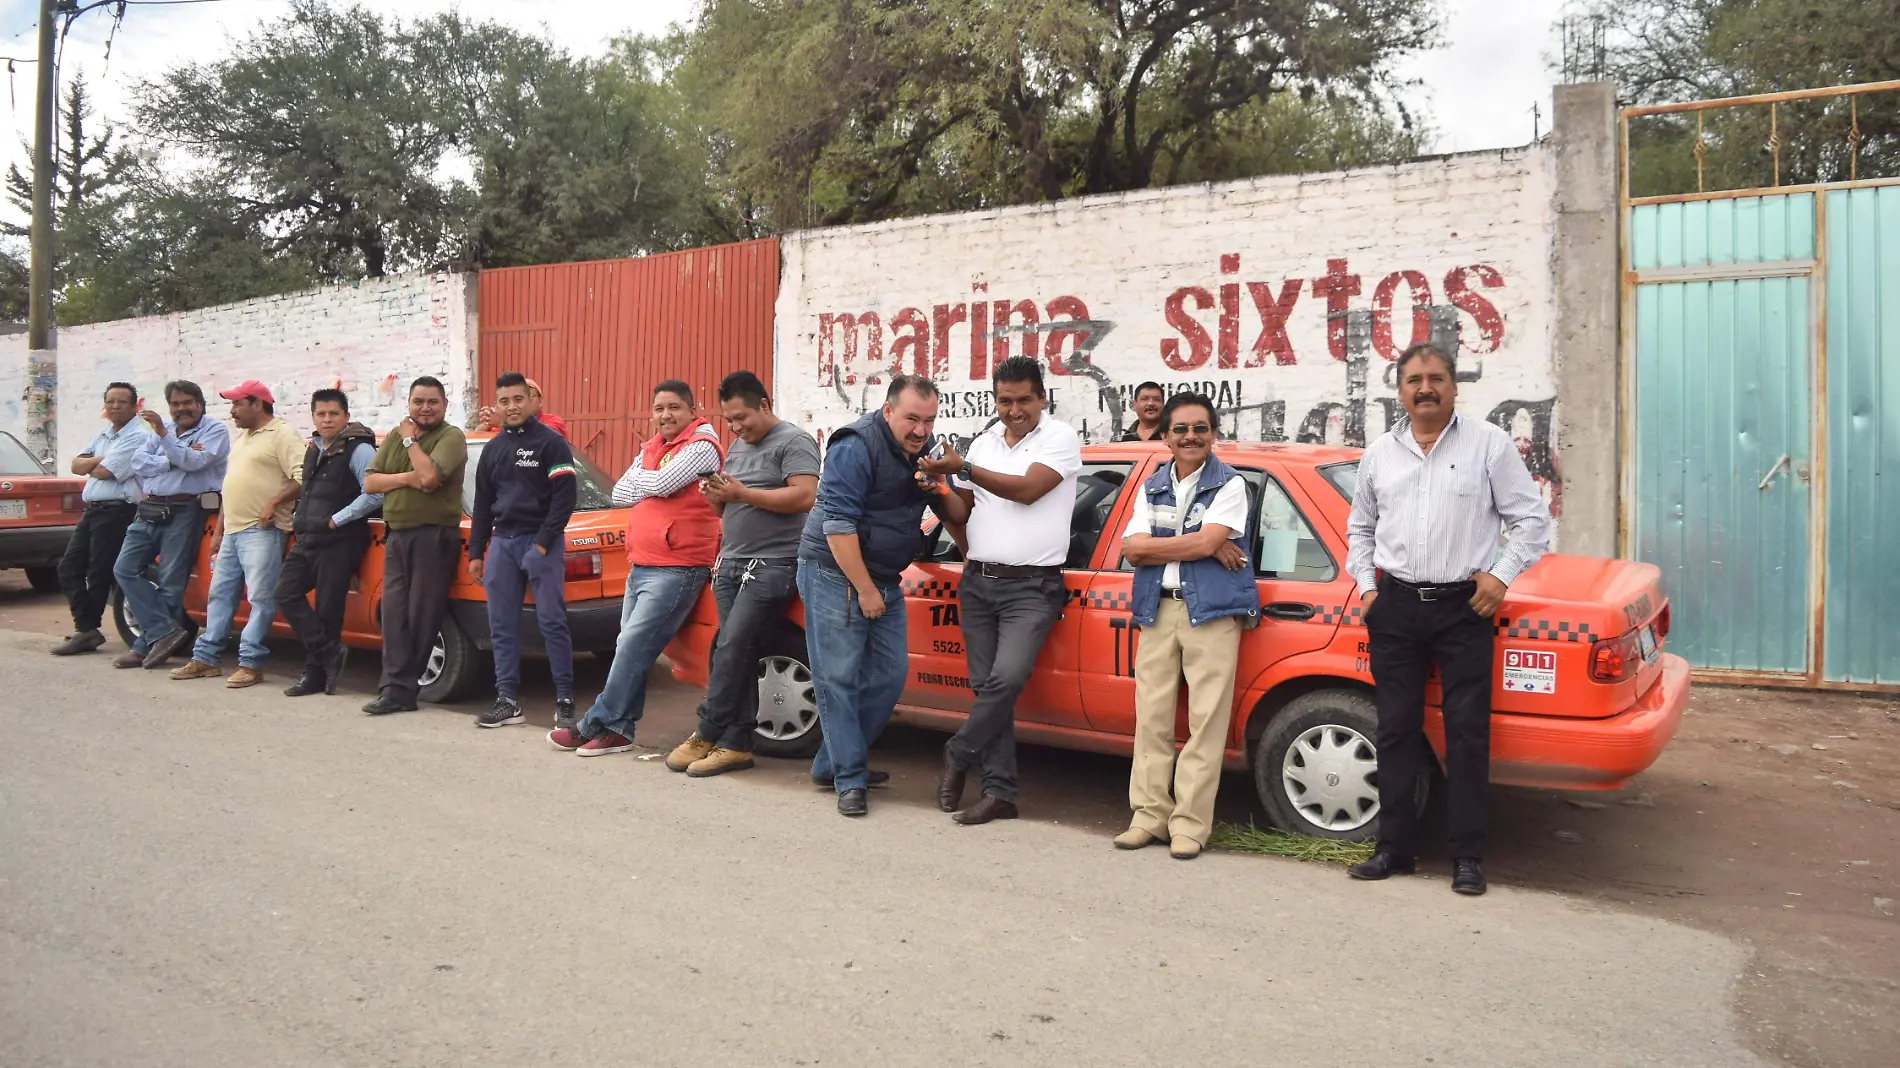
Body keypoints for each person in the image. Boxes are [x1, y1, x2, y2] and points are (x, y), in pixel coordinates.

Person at [1344, 343, 1550, 896]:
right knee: (1395, 731)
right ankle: (1394, 849)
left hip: (1465, 607)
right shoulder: (1380, 453)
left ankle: (1467, 856)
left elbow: (1531, 520)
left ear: (1454, 387)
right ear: (1400, 390)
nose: (1425, 388)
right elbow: (1360, 529)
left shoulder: (1489, 443)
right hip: (1397, 606)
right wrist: (1367, 589)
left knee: (1465, 734)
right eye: (1413, 379)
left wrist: (1501, 575)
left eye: (1435, 378)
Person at [919, 356, 1081, 826]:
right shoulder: (985, 442)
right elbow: (962, 511)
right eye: (1004, 400)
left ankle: (958, 750)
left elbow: (1029, 490)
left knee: (1004, 682)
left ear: (1042, 398)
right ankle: (999, 792)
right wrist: (937, 487)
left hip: (1032, 586)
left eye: (1023, 400)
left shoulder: (1059, 437)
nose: (1013, 410)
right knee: (988, 690)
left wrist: (964, 467)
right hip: (978, 583)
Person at [798, 375, 968, 817]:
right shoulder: (854, 447)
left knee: (890, 677)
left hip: (883, 576)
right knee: (838, 679)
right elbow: (837, 526)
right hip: (836, 572)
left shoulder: (924, 453)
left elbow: (958, 515)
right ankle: (850, 779)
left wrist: (941, 484)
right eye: (912, 418)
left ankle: (830, 763)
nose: (921, 430)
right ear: (888, 410)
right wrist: (867, 589)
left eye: (929, 421)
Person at [1113, 392, 1259, 860]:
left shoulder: (1230, 484)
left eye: (1200, 428)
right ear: (1166, 437)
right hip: (1159, 608)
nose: (1190, 437)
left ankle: (1191, 825)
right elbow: (1131, 550)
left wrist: (1203, 543)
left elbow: (1205, 541)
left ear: (1213, 433)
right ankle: (1149, 817)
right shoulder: (1153, 484)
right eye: (1180, 429)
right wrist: (1198, 543)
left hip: (1211, 613)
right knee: (1151, 719)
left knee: (1206, 723)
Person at [548, 380, 722, 755]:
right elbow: (620, 492)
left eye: (674, 407)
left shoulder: (703, 448)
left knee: (631, 646)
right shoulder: (654, 447)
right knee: (631, 649)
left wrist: (651, 482)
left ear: (693, 411)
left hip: (677, 567)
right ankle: (619, 731)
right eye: (659, 408)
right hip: (642, 564)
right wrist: (653, 483)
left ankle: (592, 723)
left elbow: (662, 483)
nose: (665, 415)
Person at [665, 370, 820, 778]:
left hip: (773, 564)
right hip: (732, 564)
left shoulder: (794, 441)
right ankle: (735, 743)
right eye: (728, 420)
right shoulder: (735, 448)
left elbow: (806, 495)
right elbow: (731, 509)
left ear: (764, 405)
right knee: (733, 649)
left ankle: (707, 728)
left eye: (741, 418)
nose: (735, 427)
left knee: (731, 646)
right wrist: (718, 499)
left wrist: (742, 494)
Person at [169, 381, 306, 689]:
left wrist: (273, 503)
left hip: (263, 531)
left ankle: (250, 663)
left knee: (259, 598)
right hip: (233, 532)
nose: (231, 411)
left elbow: (303, 477)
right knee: (219, 596)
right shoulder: (243, 437)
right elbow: (229, 488)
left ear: (257, 404)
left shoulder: (282, 434)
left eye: (236, 404)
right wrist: (219, 530)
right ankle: (205, 659)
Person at [467, 371, 580, 729]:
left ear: (532, 402)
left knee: (552, 622)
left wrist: (544, 543)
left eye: (518, 399)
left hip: (540, 542)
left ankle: (564, 700)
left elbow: (565, 499)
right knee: (501, 625)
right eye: (504, 401)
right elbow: (483, 504)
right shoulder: (492, 449)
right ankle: (507, 700)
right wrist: (475, 553)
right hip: (502, 543)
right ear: (496, 406)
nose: (512, 406)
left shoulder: (551, 443)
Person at [359, 376, 469, 716]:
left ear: (444, 405)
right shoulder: (394, 435)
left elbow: (432, 477)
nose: (425, 408)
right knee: (393, 615)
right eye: (418, 401)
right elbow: (370, 482)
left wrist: (410, 443)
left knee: (421, 615)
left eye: (432, 402)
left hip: (433, 536)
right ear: (408, 404)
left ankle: (403, 692)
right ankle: (392, 688)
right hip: (397, 534)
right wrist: (407, 478)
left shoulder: (451, 437)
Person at [111, 380, 230, 669]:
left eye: (187, 402)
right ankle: (165, 631)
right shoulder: (163, 429)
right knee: (124, 569)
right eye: (175, 404)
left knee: (171, 580)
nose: (181, 409)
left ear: (200, 404)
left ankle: (143, 647)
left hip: (187, 508)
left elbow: (195, 463)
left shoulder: (215, 430)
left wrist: (166, 442)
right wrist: (172, 457)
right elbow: (138, 463)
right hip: (151, 506)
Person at [276, 389, 381, 697]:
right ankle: (328, 653)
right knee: (285, 593)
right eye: (321, 414)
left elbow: (374, 493)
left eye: (333, 414)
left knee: (327, 609)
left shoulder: (359, 450)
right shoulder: (313, 449)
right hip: (307, 538)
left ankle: (315, 676)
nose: (327, 419)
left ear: (345, 417)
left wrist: (339, 518)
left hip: (339, 540)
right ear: (313, 417)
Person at [52, 382, 147, 656]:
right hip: (92, 510)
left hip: (117, 511)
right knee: (68, 567)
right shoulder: (104, 435)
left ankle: (87, 630)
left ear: (134, 406)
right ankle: (87, 628)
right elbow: (74, 465)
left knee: (99, 572)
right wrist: (98, 460)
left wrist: (93, 462)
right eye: (110, 401)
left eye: (122, 401)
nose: (115, 406)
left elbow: (105, 472)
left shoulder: (137, 437)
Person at [471, 378, 569, 440]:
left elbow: (541, 437)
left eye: (529, 396)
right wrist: (485, 425)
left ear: (541, 401)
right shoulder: (497, 426)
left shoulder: (553, 421)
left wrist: (503, 424)